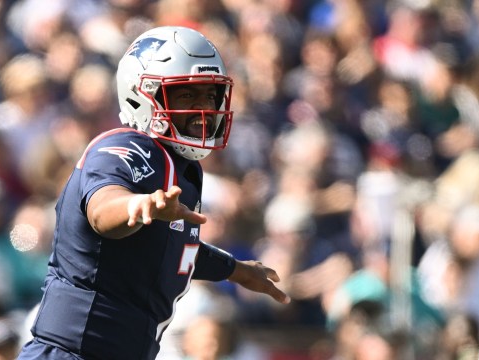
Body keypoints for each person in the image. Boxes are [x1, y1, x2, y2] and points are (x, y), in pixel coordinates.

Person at [17, 26, 290, 360]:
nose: (203, 108)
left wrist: (236, 270)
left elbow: (174, 249)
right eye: (187, 95)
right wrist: (137, 205)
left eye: (209, 95)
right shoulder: (122, 146)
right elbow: (102, 209)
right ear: (140, 94)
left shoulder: (182, 169)